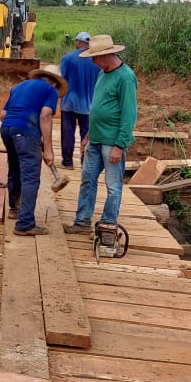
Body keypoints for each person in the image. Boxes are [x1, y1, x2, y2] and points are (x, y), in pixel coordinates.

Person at [64, 34, 137, 243]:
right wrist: (87, 135)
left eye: (94, 57)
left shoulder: (125, 77)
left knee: (113, 186)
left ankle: (108, 224)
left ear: (106, 55)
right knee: (88, 180)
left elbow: (129, 114)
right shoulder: (102, 73)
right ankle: (82, 221)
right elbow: (97, 107)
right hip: (95, 140)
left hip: (111, 142)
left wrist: (119, 145)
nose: (92, 61)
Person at [0, 65, 67, 235]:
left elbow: (2, 114)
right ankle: (25, 224)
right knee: (30, 177)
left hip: (7, 129)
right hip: (25, 132)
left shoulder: (19, 86)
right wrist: (49, 150)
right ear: (55, 83)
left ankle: (14, 209)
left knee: (14, 169)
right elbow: (45, 116)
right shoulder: (50, 91)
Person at [58, 31, 101, 169]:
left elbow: (60, 79)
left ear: (79, 42)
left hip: (69, 102)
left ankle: (68, 162)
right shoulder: (96, 60)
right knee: (87, 134)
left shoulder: (68, 58)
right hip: (90, 104)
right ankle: (85, 162)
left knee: (68, 133)